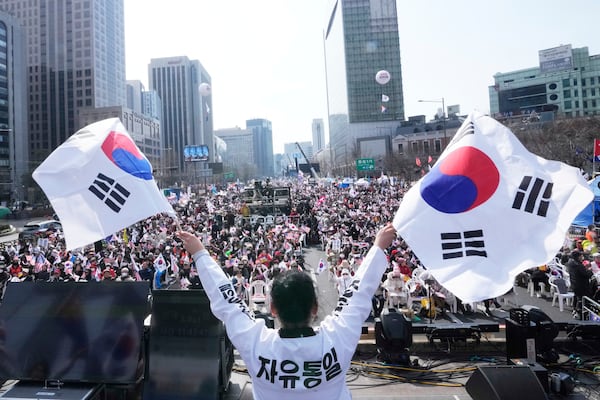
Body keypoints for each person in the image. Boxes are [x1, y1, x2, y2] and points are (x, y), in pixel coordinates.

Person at [177, 223, 396, 399]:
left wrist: (200, 254)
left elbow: (228, 302)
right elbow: (358, 293)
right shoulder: (338, 338)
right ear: (315, 308)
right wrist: (378, 248)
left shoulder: (256, 343)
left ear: (272, 309)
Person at [566, 250, 593, 319]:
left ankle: (574, 310)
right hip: (581, 285)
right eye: (581, 256)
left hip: (574, 284)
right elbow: (586, 274)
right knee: (581, 299)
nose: (582, 257)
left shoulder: (570, 263)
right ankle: (579, 313)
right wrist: (590, 270)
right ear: (578, 257)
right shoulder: (578, 265)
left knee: (576, 297)